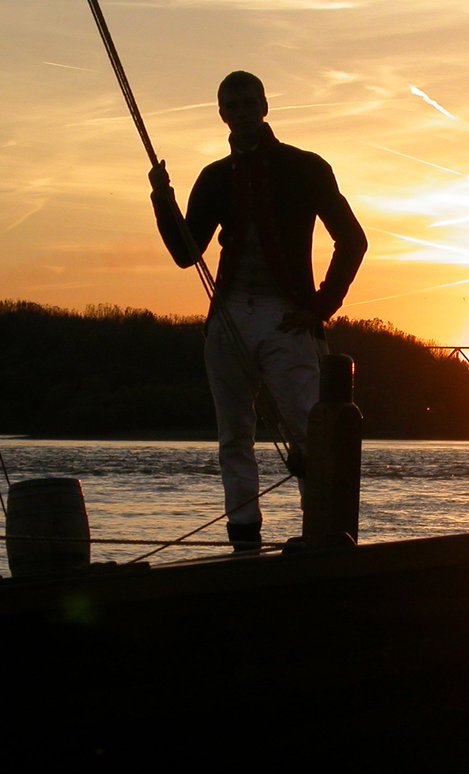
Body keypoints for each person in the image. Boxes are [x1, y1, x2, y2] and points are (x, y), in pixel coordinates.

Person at [149, 70, 367, 551]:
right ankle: (244, 538)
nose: (244, 111)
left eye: (251, 101)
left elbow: (353, 239)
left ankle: (323, 532)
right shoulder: (213, 178)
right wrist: (162, 200)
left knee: (308, 428)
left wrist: (320, 307)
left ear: (265, 106)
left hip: (286, 317)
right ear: (223, 114)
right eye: (234, 104)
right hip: (227, 319)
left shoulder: (306, 167)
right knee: (233, 436)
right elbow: (188, 253)